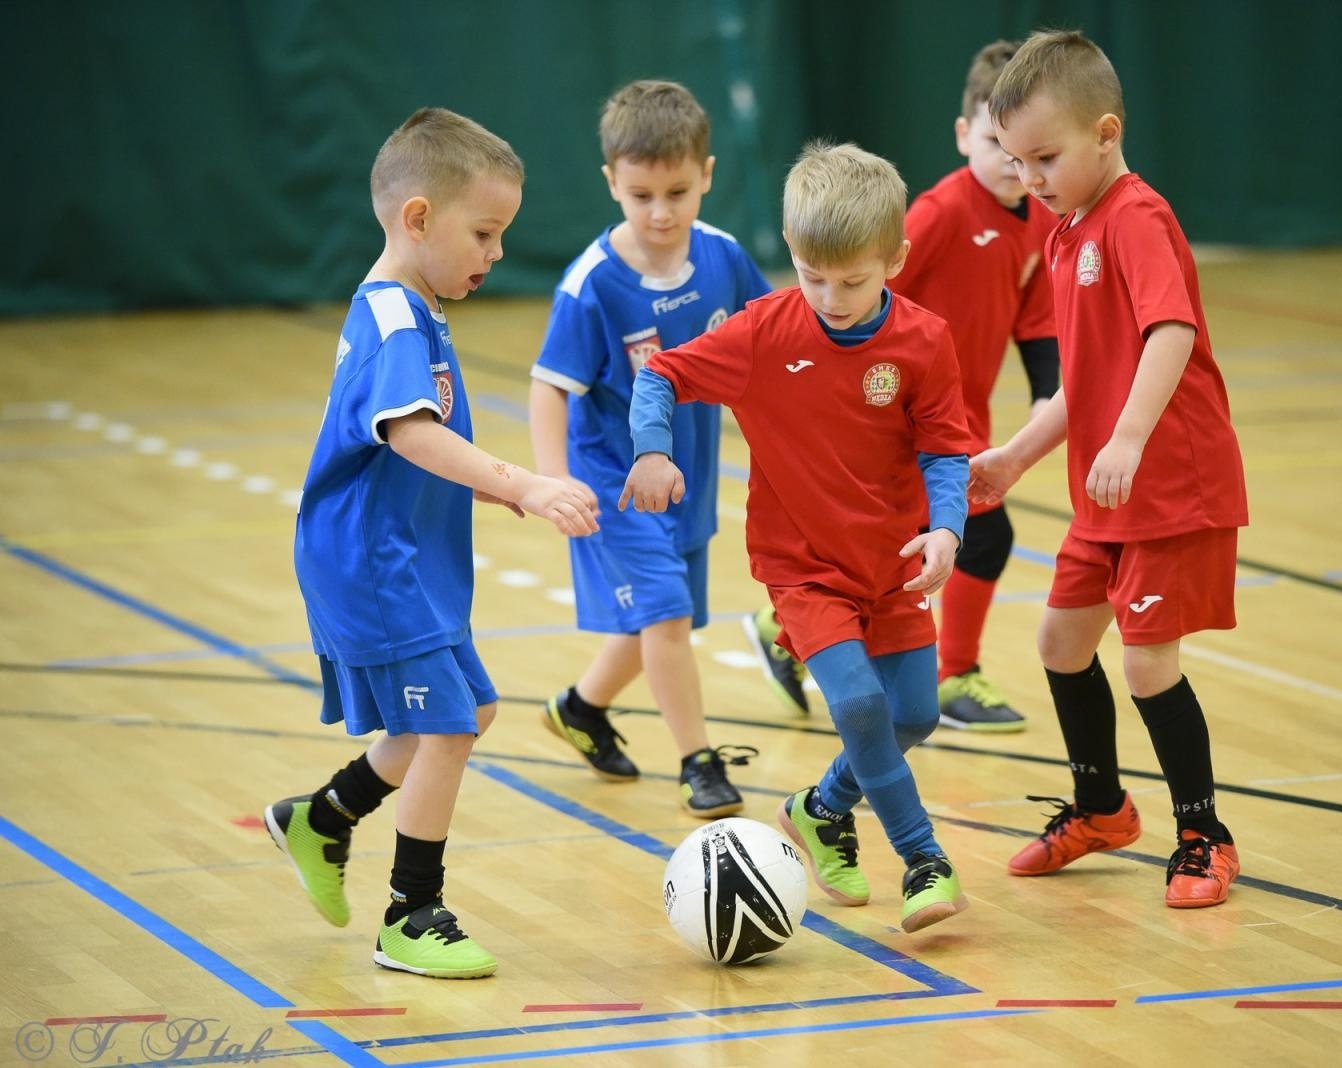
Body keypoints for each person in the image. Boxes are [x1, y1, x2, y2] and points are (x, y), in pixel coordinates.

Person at [267, 108, 600, 980]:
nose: (494, 253)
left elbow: (409, 447)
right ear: (417, 219)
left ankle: (327, 816)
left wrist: (489, 490)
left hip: (404, 553)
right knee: (448, 724)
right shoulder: (398, 320)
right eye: (483, 233)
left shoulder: (414, 305)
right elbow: (412, 433)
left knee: (470, 711)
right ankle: (412, 913)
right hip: (371, 561)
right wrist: (519, 481)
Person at [622, 141, 973, 934]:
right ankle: (924, 859)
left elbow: (945, 448)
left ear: (895, 258)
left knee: (913, 714)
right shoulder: (764, 332)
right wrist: (652, 445)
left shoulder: (924, 342)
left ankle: (820, 808)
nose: (832, 296)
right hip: (804, 569)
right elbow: (662, 374)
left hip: (894, 563)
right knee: (856, 702)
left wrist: (946, 529)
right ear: (793, 255)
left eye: (852, 280)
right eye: (813, 276)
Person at [972, 30, 1248, 908]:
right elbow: (1079, 382)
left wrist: (1128, 439)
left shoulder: (1136, 218)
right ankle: (1101, 810)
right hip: (1106, 492)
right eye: (1017, 163)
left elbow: (1173, 333)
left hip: (1168, 488)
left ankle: (1205, 835)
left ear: (1106, 131)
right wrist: (1015, 456)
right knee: (1061, 644)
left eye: (1045, 157)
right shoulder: (1064, 234)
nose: (1032, 180)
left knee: (1147, 666)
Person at [744, 41, 1058, 733]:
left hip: (954, 412)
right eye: (995, 142)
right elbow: (862, 295)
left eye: (1029, 148)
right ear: (963, 135)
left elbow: (1037, 321)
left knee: (912, 550)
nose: (1013, 161)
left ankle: (784, 628)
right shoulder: (942, 213)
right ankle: (952, 674)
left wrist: (1047, 397)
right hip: (894, 414)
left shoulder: (1041, 220)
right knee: (981, 535)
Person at [529, 80, 769, 818]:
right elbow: (548, 389)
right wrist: (551, 484)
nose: (660, 212)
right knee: (665, 615)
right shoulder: (592, 285)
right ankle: (697, 762)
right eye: (640, 196)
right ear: (611, 183)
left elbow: (773, 342)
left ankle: (579, 708)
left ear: (707, 175)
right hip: (616, 479)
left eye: (677, 191)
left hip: (690, 475)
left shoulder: (726, 259)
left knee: (657, 622)